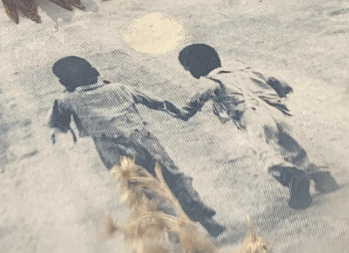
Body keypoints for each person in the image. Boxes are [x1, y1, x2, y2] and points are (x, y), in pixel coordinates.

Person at [48, 56, 224, 237]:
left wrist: (61, 132)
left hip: (113, 151)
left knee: (145, 189)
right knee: (174, 177)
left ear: (64, 81)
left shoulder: (66, 100)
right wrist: (181, 113)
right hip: (144, 140)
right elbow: (158, 102)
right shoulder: (119, 88)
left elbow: (58, 124)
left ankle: (179, 232)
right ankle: (205, 219)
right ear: (93, 71)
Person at [176, 43, 337, 211]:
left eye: (188, 68)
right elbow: (279, 84)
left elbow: (193, 103)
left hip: (253, 117)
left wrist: (181, 111)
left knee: (265, 153)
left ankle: (292, 176)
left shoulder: (210, 81)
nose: (189, 72)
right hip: (277, 114)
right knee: (292, 147)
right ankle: (322, 177)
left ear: (195, 67)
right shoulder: (244, 71)